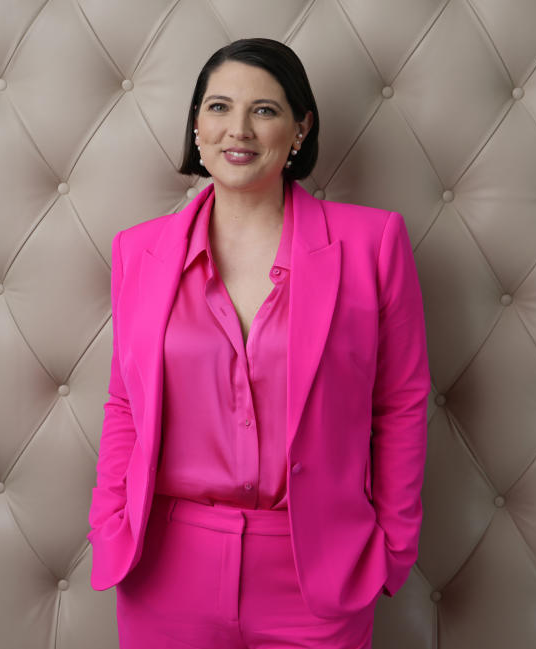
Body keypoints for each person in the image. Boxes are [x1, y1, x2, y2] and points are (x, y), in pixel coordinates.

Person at [86, 37, 431, 649]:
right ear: (196, 125)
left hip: (317, 569)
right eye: (218, 107)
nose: (237, 129)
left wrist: (393, 546)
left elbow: (400, 403)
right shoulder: (137, 252)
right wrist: (109, 522)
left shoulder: (373, 244)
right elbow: (124, 406)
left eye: (264, 110)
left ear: (301, 128)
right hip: (165, 565)